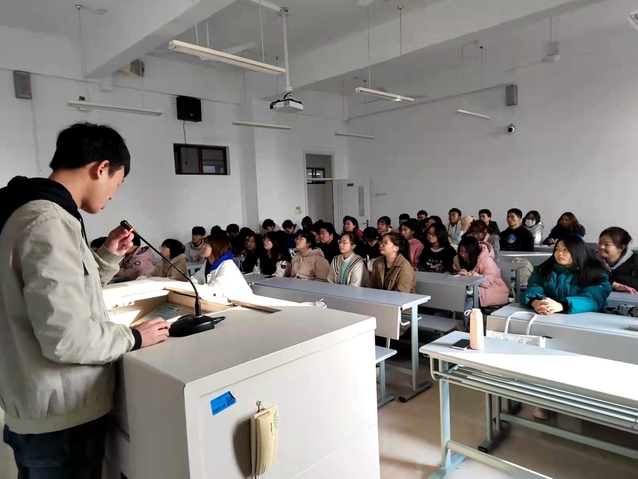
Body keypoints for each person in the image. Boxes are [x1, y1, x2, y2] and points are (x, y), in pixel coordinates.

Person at [0, 123, 169, 477]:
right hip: (61, 422)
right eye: (117, 183)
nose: (113, 196)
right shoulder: (48, 221)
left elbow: (59, 292)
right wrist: (135, 337)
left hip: (41, 410)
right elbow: (66, 338)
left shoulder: (27, 210)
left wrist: (107, 255)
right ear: (102, 168)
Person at [521, 235, 611, 314]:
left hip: (584, 320)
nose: (560, 253)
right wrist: (536, 302)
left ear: (577, 252)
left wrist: (562, 305)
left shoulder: (595, 274)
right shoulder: (543, 270)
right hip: (549, 317)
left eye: (565, 249)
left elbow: (592, 300)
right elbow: (534, 288)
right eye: (557, 249)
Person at [454, 236, 509, 309]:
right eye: (461, 252)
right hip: (470, 289)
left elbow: (487, 282)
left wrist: (469, 275)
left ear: (473, 252)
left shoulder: (487, 261)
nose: (463, 254)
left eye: (466, 252)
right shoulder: (457, 259)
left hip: (493, 290)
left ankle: (465, 315)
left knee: (468, 296)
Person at [598, 227, 638, 293]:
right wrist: (612, 284)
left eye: (607, 244)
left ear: (621, 248)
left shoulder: (635, 262)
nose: (601, 247)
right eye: (600, 242)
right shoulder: (593, 258)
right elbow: (587, 278)